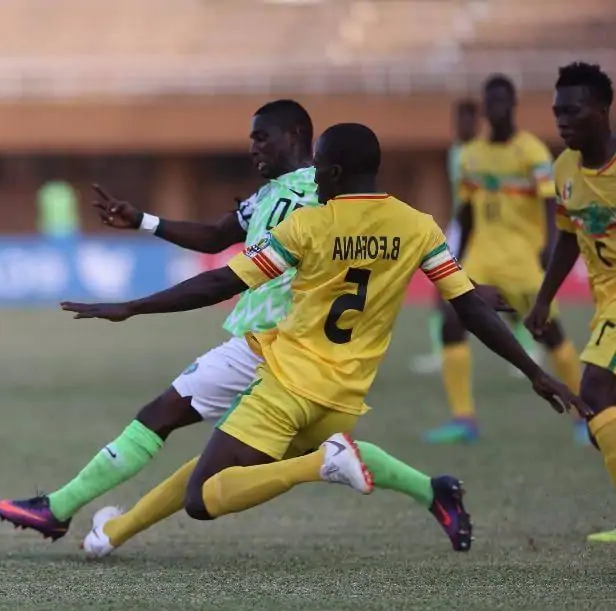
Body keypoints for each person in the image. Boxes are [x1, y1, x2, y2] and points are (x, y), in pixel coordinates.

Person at [60, 123, 587, 559]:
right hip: (345, 396)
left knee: (204, 496)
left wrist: (133, 306)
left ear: (332, 172)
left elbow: (222, 281)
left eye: (318, 167)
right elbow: (469, 306)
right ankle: (114, 533)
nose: (313, 175)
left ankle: (321, 465)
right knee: (221, 467)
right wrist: (534, 371)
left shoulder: (309, 225)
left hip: (289, 383)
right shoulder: (417, 226)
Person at [0, 102, 476, 552]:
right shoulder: (274, 196)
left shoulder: (321, 196)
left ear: (295, 136)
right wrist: (145, 221)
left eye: (262, 138)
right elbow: (220, 234)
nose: (253, 148)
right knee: (220, 462)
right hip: (304, 359)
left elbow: (255, 271)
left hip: (274, 344)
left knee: (162, 415)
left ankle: (60, 509)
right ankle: (430, 490)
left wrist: (134, 306)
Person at [426, 75, 588, 445]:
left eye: (501, 102)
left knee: (549, 334)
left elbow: (550, 203)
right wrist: (453, 262)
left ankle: (584, 415)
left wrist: (549, 244)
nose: (495, 109)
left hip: (522, 262)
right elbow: (466, 213)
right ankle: (464, 419)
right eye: (490, 103)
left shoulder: (530, 151)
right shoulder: (472, 155)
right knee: (452, 322)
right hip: (481, 261)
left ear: (513, 105)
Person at [526, 62, 616, 542]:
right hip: (605, 302)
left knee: (596, 391)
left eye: (572, 111)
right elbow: (567, 237)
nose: (561, 121)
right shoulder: (564, 167)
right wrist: (544, 299)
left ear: (603, 110)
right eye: (557, 112)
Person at [411, 99, 541, 376]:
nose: (463, 126)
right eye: (459, 121)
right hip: (461, 226)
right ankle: (441, 351)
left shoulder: (481, 154)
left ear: (478, 123)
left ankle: (527, 345)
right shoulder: (455, 152)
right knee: (442, 288)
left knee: (504, 290)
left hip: (487, 228)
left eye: (469, 120)